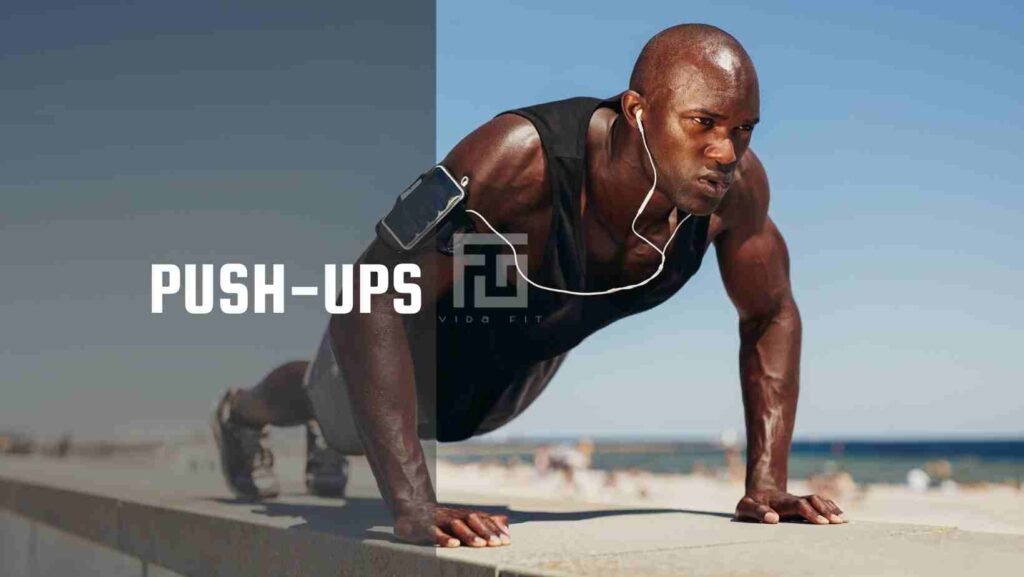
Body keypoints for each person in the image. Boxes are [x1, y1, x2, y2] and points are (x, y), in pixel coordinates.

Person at [210, 23, 847, 549]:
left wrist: (766, 482)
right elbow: (369, 291)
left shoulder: (733, 197)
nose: (725, 151)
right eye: (703, 122)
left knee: (448, 419)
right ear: (638, 111)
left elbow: (770, 313)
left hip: (509, 382)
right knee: (334, 409)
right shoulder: (517, 159)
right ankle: (243, 413)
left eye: (742, 130)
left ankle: (333, 429)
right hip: (416, 338)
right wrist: (411, 502)